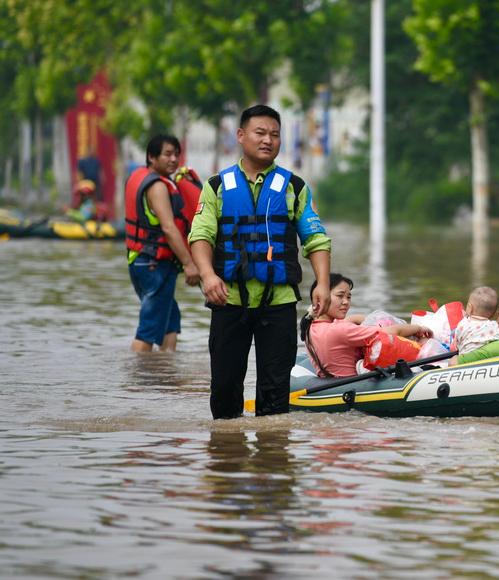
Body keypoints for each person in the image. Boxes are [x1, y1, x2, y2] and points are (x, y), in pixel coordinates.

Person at [189, 104, 332, 419]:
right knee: (225, 394)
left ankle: (272, 463)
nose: (268, 140)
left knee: (275, 398)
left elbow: (316, 238)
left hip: (278, 304)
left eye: (275, 135)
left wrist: (322, 283)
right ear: (241, 136)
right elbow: (200, 236)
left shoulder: (294, 187)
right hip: (229, 300)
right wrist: (208, 276)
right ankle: (227, 458)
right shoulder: (216, 186)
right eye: (261, 133)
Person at [125, 134, 200, 353]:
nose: (174, 159)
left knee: (170, 322)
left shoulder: (139, 176)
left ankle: (164, 374)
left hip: (141, 261)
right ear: (151, 156)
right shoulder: (157, 187)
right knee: (148, 330)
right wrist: (189, 263)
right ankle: (139, 381)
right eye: (167, 154)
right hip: (153, 265)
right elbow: (168, 228)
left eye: (177, 154)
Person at [300, 273, 433, 378]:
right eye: (340, 296)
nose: (346, 302)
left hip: (329, 382)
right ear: (320, 298)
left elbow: (348, 321)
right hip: (353, 384)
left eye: (349, 297)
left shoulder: (310, 328)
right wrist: (418, 328)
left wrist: (361, 319)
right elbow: (391, 332)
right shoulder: (340, 330)